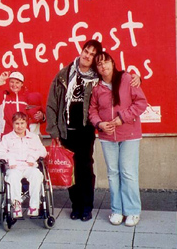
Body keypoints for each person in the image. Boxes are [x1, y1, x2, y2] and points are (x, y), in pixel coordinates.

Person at [46, 39, 141, 222]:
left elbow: (117, 78)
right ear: (81, 51)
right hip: (66, 130)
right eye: (86, 52)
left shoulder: (98, 77)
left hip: (86, 130)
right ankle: (76, 205)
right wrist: (54, 133)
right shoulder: (63, 75)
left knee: (85, 169)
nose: (87, 56)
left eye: (91, 55)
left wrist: (137, 77)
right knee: (70, 170)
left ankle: (87, 207)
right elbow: (51, 105)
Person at [89, 52, 147, 227]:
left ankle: (132, 211)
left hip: (129, 134)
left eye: (106, 62)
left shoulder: (127, 79)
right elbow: (92, 111)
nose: (103, 67)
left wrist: (123, 117)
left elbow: (141, 103)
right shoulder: (97, 88)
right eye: (99, 65)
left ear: (113, 63)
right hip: (107, 137)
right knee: (113, 174)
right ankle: (117, 210)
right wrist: (99, 124)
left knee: (128, 172)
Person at [0, 112, 47, 218]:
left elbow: (43, 151)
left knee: (37, 175)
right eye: (17, 123)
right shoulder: (7, 138)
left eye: (22, 123)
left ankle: (34, 207)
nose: (20, 126)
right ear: (13, 124)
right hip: (14, 168)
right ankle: (16, 206)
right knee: (13, 177)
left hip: (29, 166)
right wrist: (9, 159)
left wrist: (33, 157)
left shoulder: (34, 137)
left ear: (26, 123)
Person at [0, 71, 44, 141]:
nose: (14, 85)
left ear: (22, 84)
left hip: (25, 137)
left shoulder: (29, 97)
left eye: (17, 82)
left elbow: (36, 116)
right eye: (12, 82)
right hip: (6, 135)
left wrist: (42, 116)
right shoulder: (3, 96)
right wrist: (1, 79)